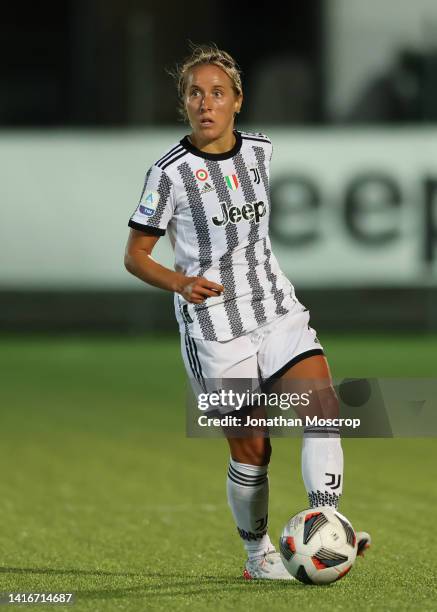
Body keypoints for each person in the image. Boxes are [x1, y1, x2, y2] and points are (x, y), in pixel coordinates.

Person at [124, 42, 370, 580]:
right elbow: (135, 256)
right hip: (215, 328)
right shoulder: (169, 174)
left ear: (238, 100)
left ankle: (325, 524)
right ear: (184, 104)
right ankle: (257, 556)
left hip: (276, 307)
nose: (205, 103)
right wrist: (180, 281)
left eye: (217, 93)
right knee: (254, 451)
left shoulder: (261, 150)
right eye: (195, 93)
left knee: (323, 410)